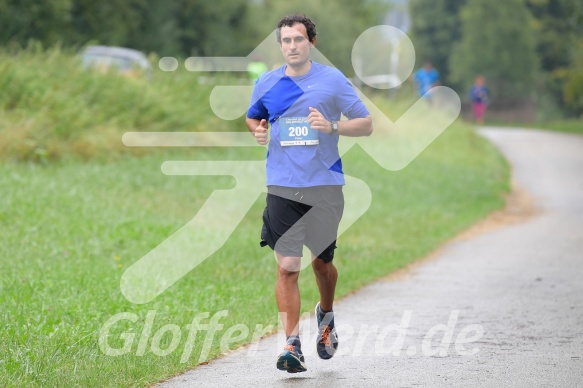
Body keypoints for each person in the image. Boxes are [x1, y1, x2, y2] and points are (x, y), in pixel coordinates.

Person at [245, 14, 373, 373]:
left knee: (321, 263)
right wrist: (258, 131)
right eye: (286, 41)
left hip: (325, 187)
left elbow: (365, 123)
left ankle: (326, 313)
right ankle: (292, 343)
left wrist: (332, 125)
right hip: (282, 186)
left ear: (311, 42)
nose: (291, 46)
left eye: (298, 40)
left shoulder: (331, 80)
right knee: (287, 267)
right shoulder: (268, 83)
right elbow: (253, 117)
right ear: (280, 44)